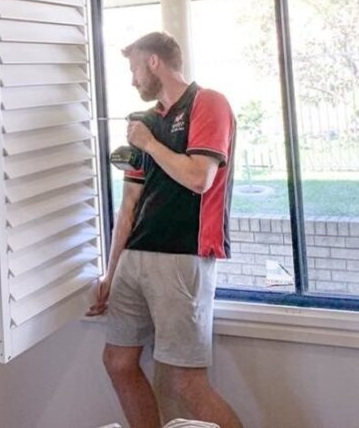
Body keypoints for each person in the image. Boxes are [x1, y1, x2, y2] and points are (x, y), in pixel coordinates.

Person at [87, 32, 243, 428]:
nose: (132, 79)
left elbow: (198, 178)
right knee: (118, 361)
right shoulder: (145, 121)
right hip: (135, 258)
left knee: (186, 382)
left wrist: (150, 144)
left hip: (182, 255)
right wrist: (110, 270)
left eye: (134, 68)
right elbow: (129, 206)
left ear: (153, 61)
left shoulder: (209, 103)